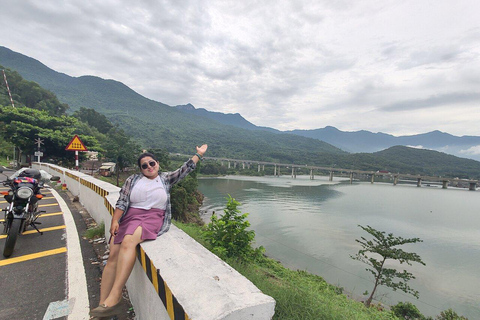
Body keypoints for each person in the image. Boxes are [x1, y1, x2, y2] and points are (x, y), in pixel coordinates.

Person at [89, 144, 208, 318]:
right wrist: (115, 220)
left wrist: (198, 154)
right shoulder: (132, 180)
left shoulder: (165, 178)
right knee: (113, 254)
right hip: (130, 216)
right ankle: (103, 305)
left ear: (157, 163)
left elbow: (184, 169)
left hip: (152, 217)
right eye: (144, 165)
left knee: (129, 242)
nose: (149, 167)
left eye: (151, 163)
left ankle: (116, 296)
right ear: (141, 169)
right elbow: (122, 201)